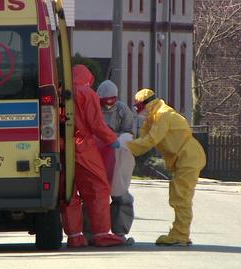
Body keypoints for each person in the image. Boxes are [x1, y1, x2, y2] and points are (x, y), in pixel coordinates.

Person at [125, 88, 206, 246]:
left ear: (147, 105)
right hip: (185, 157)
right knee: (177, 195)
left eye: (138, 107)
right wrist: (131, 141)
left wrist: (126, 147)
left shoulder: (163, 115)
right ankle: (178, 232)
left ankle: (181, 235)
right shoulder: (155, 116)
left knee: (181, 197)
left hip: (188, 157)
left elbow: (151, 140)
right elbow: (144, 135)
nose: (137, 112)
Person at [60, 65, 126, 248]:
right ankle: (102, 234)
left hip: (60, 147)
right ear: (88, 79)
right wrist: (112, 139)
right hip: (83, 147)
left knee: (68, 193)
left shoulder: (60, 92)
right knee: (99, 188)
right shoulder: (87, 94)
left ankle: (74, 236)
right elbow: (96, 124)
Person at [83, 80, 135, 243]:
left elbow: (129, 133)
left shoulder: (122, 110)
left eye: (111, 100)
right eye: (105, 101)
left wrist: (119, 141)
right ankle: (90, 232)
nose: (108, 105)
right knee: (93, 195)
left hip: (116, 158)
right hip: (94, 157)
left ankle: (119, 231)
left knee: (120, 193)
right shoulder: (91, 108)